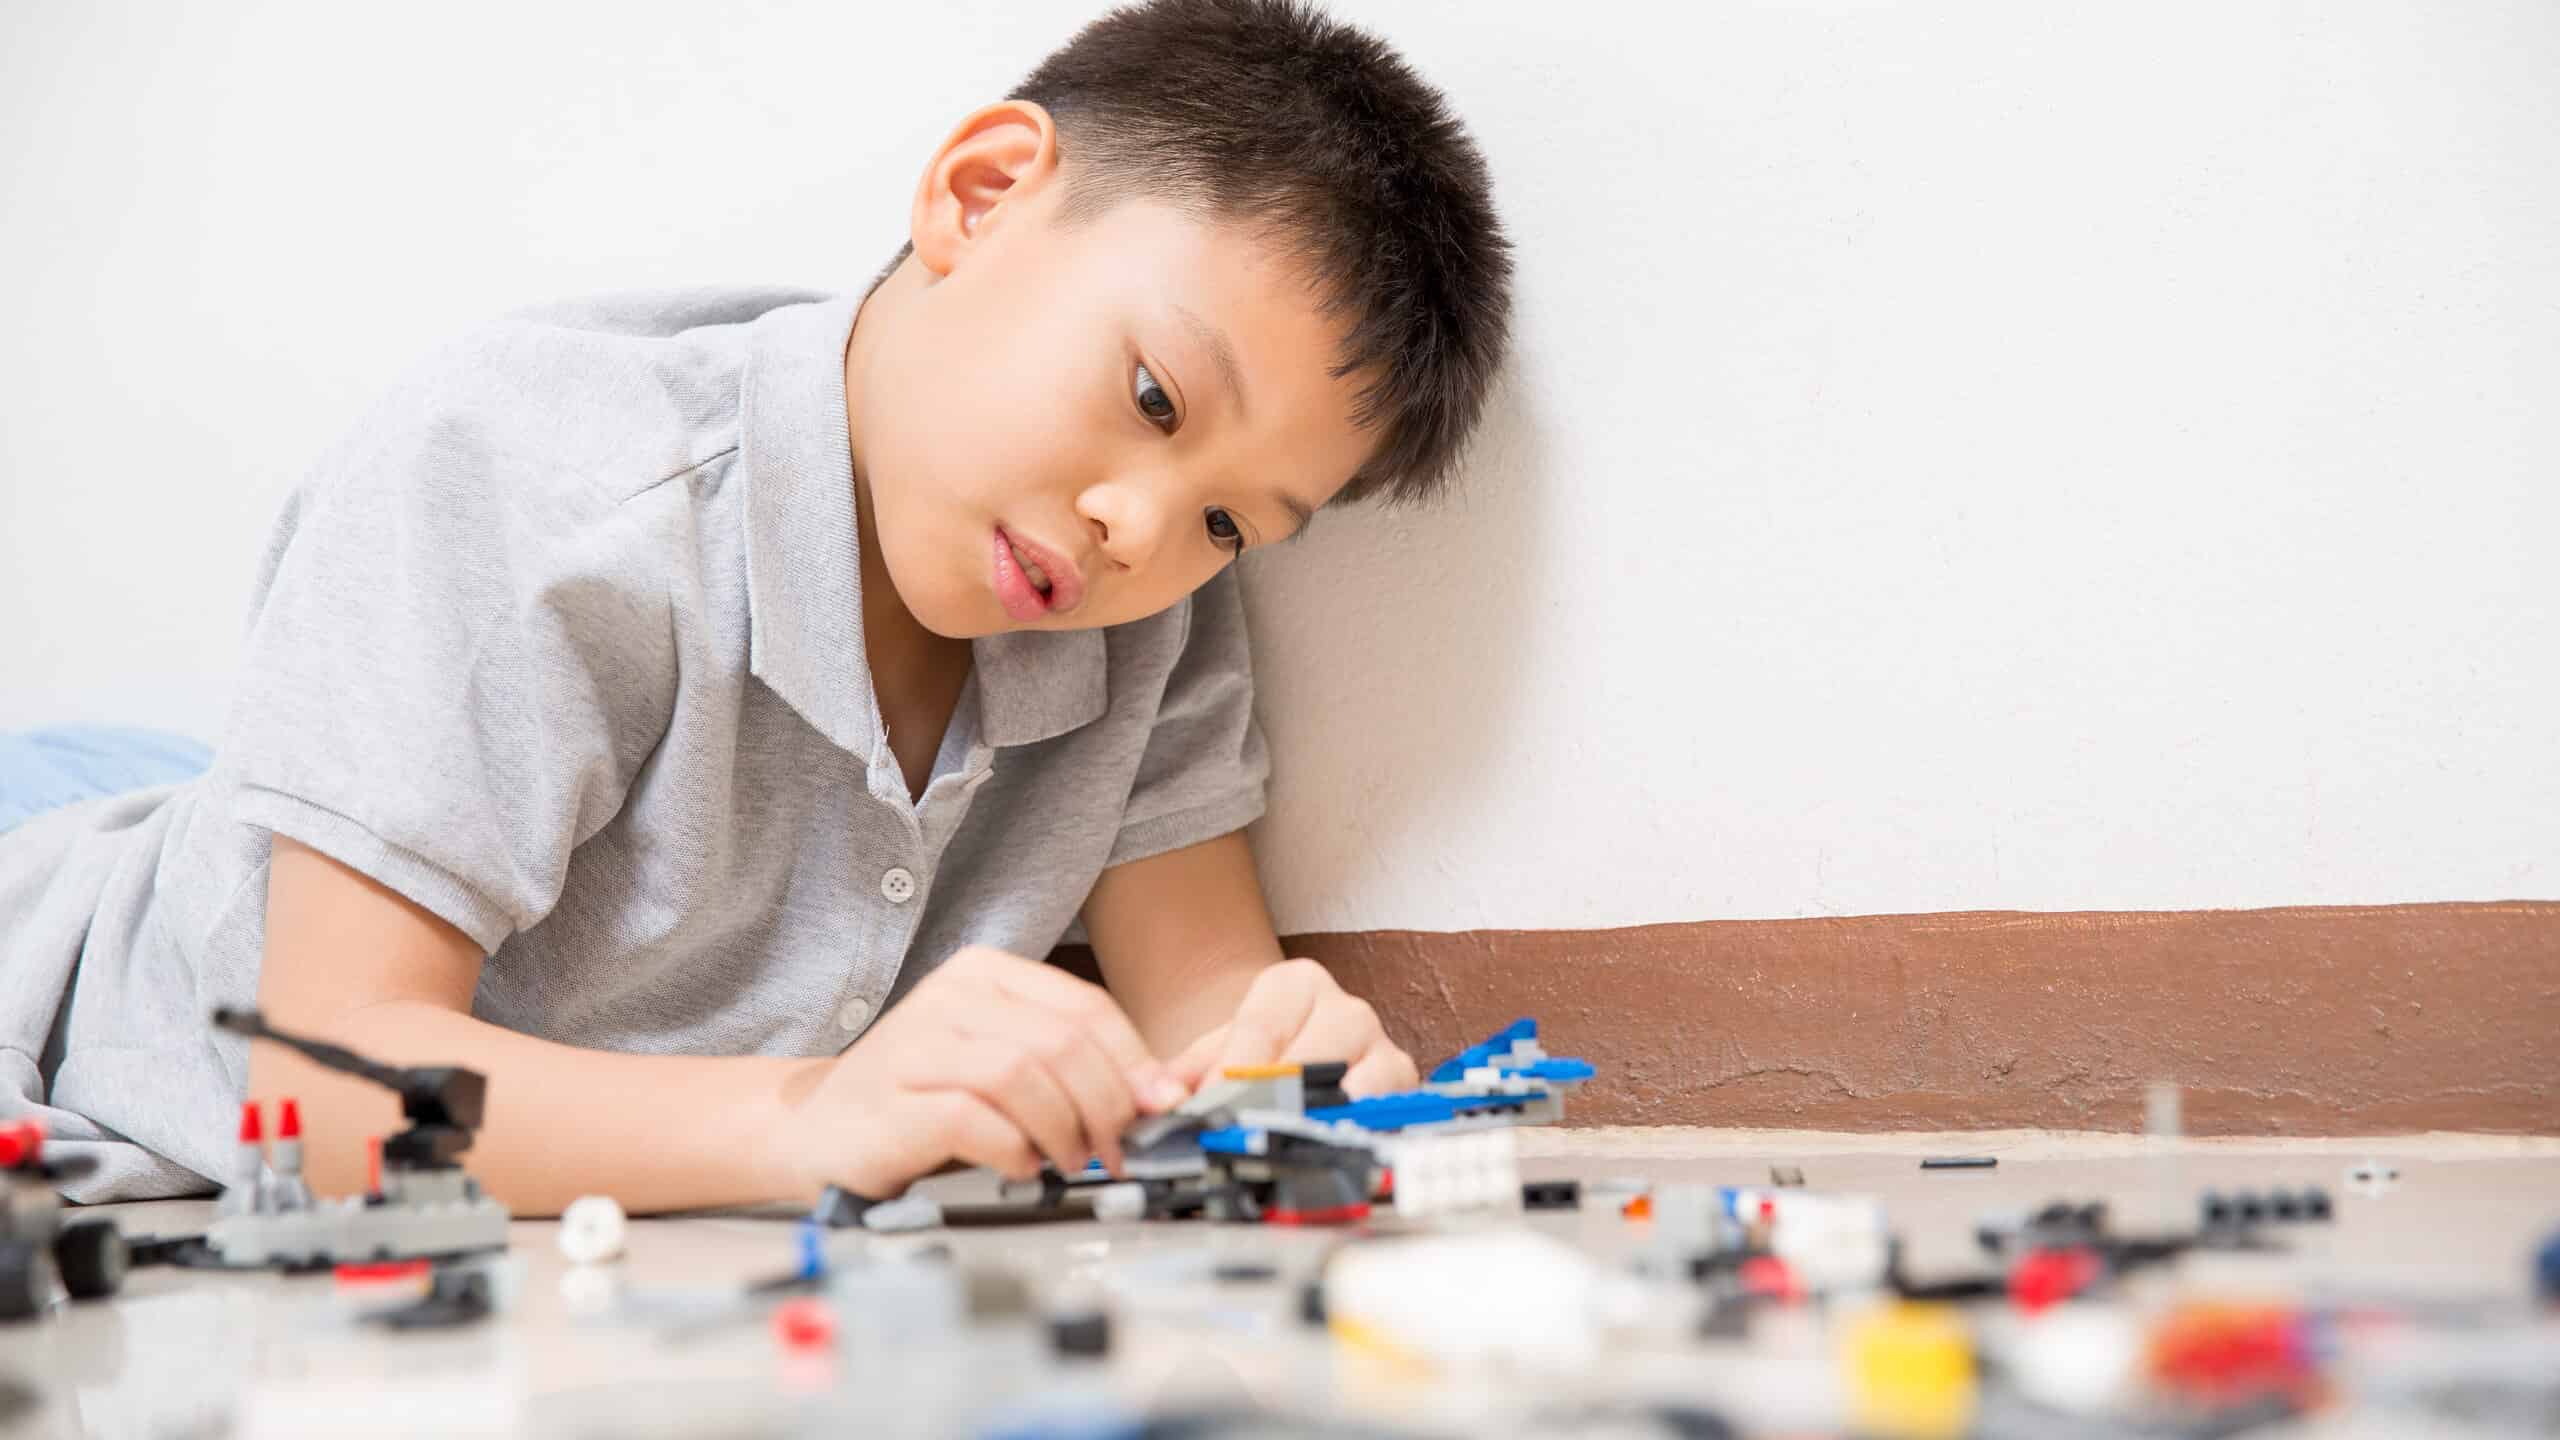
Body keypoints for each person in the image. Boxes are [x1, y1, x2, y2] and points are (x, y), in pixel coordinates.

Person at [0, 0, 1515, 1213]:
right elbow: (318, 1084)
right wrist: (806, 1115)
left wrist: (1288, 1069)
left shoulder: (1142, 615)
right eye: (1152, 394)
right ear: (980, 195)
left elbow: (1208, 997)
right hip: (66, 947)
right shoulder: (529, 474)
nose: (1143, 528)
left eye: (1235, 522)